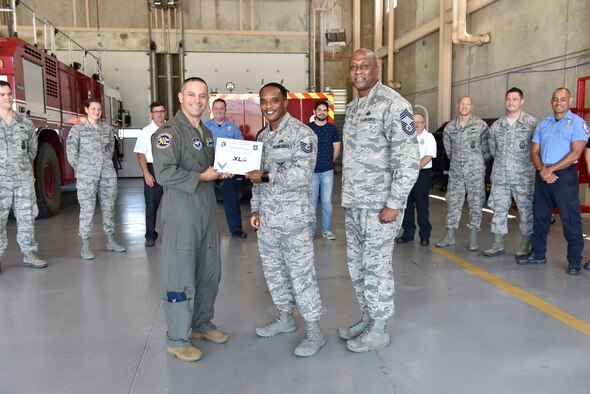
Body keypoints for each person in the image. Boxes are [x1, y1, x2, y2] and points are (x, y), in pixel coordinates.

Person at [339, 48, 419, 353]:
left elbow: (408, 160)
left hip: (380, 206)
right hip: (355, 203)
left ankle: (380, 328)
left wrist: (394, 203)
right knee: (357, 266)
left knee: (377, 267)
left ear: (376, 70)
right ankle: (369, 317)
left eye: (365, 66)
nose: (359, 71)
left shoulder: (394, 105)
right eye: (354, 66)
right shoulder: (354, 107)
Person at [152, 77, 231, 362]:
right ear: (181, 97)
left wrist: (222, 172)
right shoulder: (168, 133)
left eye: (203, 95)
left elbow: (211, 168)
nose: (198, 100)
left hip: (207, 209)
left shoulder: (207, 133)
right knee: (180, 272)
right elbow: (164, 174)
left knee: (210, 269)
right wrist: (202, 176)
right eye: (192, 94)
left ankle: (200, 324)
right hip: (182, 211)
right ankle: (177, 338)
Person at [246, 82, 325, 357]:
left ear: (285, 102)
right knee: (274, 274)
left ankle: (314, 331)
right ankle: (285, 318)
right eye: (264, 101)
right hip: (268, 221)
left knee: (302, 276)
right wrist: (255, 209)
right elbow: (256, 180)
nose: (268, 106)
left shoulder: (302, 134)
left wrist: (266, 176)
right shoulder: (261, 137)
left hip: (294, 221)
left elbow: (302, 175)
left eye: (274, 101)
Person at [517, 88, 588, 275]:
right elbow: (534, 151)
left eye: (563, 99)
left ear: (569, 100)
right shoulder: (543, 124)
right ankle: (538, 254)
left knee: (570, 219)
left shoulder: (577, 123)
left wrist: (551, 169)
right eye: (555, 99)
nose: (559, 103)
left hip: (564, 176)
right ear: (551, 101)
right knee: (540, 217)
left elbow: (576, 153)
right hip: (542, 175)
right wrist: (542, 169)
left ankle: (574, 260)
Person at [66, 98, 126, 260]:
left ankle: (111, 241)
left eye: (99, 109)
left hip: (107, 174)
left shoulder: (106, 130)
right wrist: (82, 168)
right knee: (87, 210)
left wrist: (104, 165)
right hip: (87, 176)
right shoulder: (77, 130)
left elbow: (110, 150)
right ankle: (85, 245)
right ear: (86, 109)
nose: (96, 112)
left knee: (109, 207)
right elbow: (71, 153)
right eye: (93, 109)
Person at [484, 88, 538, 257]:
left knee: (526, 210)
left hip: (524, 176)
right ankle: (498, 243)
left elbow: (537, 150)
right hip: (500, 175)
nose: (511, 102)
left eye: (515, 99)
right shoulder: (496, 126)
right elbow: (493, 150)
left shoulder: (532, 124)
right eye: (508, 99)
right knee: (499, 208)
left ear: (522, 101)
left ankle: (525, 244)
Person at [0, 80, 47, 273]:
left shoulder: (25, 124)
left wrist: (20, 168)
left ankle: (29, 253)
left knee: (27, 217)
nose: (7, 97)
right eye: (2, 95)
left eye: (9, 93)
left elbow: (32, 151)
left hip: (23, 180)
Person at [436, 96, 491, 251]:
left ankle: (473, 239)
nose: (464, 106)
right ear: (457, 105)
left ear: (471, 106)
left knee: (476, 203)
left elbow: (487, 151)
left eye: (467, 104)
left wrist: (476, 162)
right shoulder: (450, 127)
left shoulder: (481, 125)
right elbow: (448, 151)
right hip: (456, 173)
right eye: (462, 104)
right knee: (453, 202)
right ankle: (449, 236)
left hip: (475, 172)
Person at [204, 98, 247, 239]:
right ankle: (205, 231)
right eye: (215, 108)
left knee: (231, 199)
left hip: (228, 170)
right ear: (211, 110)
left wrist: (236, 167)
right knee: (206, 201)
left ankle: (236, 230)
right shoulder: (204, 127)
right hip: (209, 168)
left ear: (225, 110)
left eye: (221, 108)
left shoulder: (233, 128)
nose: (218, 111)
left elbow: (241, 147)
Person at [396, 113, 436, 246]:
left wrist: (413, 169)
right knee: (406, 205)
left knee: (422, 206)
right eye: (414, 122)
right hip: (406, 175)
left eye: (419, 122)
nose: (417, 124)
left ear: (424, 124)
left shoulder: (429, 137)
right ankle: (408, 233)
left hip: (421, 175)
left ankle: (425, 235)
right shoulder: (406, 138)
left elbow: (428, 157)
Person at [134, 101, 166, 247]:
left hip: (171, 169)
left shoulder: (173, 129)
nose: (160, 114)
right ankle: (150, 235)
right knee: (151, 205)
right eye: (156, 111)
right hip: (153, 169)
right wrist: (146, 173)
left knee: (175, 204)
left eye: (162, 111)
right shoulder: (146, 131)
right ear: (151, 114)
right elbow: (140, 155)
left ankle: (175, 233)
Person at [308, 100, 341, 240]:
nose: (322, 112)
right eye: (319, 110)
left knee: (327, 202)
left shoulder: (332, 129)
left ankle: (326, 230)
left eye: (324, 110)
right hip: (311, 172)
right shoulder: (307, 129)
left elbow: (337, 149)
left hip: (327, 171)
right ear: (314, 112)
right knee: (312, 202)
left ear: (328, 112)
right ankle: (310, 230)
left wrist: (328, 162)